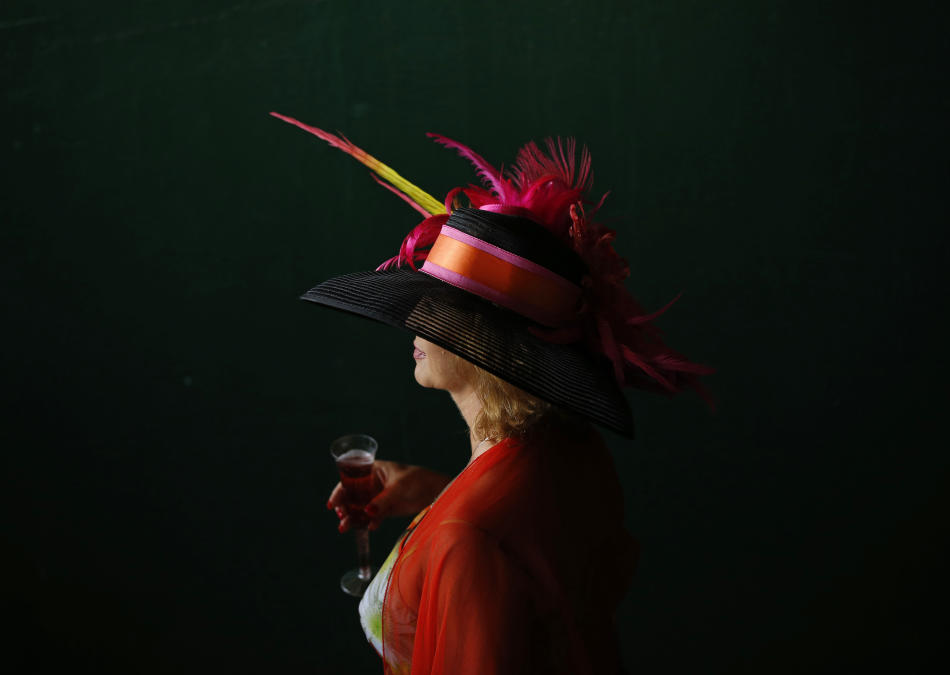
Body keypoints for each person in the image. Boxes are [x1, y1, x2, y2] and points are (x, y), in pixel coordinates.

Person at [272, 112, 714, 674]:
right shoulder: (566, 448)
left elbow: (483, 547)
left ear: (485, 343)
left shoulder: (470, 542)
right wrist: (432, 495)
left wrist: (450, 525)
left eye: (437, 311)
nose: (413, 324)